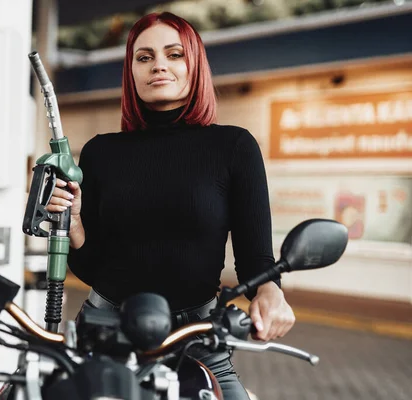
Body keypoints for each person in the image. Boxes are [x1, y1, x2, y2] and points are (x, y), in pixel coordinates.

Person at [46, 11, 295, 400]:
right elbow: (93, 267)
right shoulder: (100, 152)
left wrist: (270, 294)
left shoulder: (234, 147)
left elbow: (255, 260)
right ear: (131, 72)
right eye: (144, 57)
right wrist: (75, 225)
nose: (158, 65)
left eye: (174, 54)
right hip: (106, 325)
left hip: (198, 334)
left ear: (194, 64)